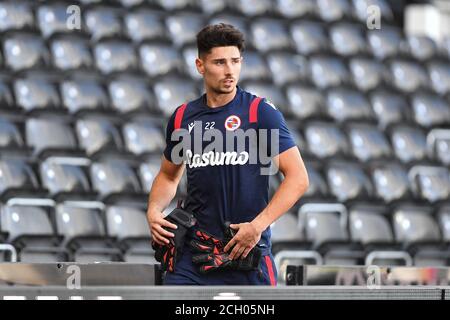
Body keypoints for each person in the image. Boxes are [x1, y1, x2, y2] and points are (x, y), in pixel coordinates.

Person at [146, 23, 309, 285]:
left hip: (247, 254)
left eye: (235, 61)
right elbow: (168, 176)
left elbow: (298, 177)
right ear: (200, 66)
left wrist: (257, 226)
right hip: (193, 258)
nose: (229, 70)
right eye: (220, 62)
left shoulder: (259, 112)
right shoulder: (182, 118)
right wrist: (154, 210)